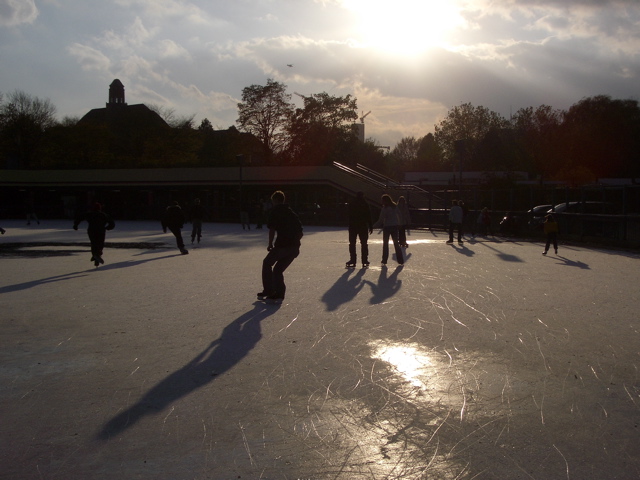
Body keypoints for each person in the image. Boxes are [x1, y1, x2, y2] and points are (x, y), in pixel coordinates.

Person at [258, 191, 303, 302]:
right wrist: (295, 243)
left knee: (267, 263)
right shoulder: (291, 212)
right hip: (294, 249)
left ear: (275, 200)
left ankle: (269, 290)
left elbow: (272, 229)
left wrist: (270, 243)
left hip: (282, 246)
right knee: (277, 270)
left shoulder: (275, 211)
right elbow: (300, 232)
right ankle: (279, 294)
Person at [73, 202, 115, 267]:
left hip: (91, 230)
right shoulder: (103, 215)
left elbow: (79, 217)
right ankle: (97, 254)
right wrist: (108, 228)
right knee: (100, 243)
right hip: (100, 230)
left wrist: (76, 225)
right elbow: (112, 223)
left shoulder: (89, 214)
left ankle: (95, 256)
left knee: (93, 243)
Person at [373, 194, 404, 265]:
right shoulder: (395, 207)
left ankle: (384, 260)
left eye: (382, 200)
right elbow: (399, 215)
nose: (381, 202)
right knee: (396, 244)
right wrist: (400, 223)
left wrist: (373, 226)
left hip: (387, 227)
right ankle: (400, 260)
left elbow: (380, 220)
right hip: (394, 226)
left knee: (385, 244)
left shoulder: (385, 209)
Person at [346, 191, 373, 268]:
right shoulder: (365, 204)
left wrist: (349, 224)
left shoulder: (352, 203)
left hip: (353, 226)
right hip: (363, 226)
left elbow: (349, 215)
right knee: (364, 243)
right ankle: (364, 260)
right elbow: (369, 215)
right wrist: (370, 226)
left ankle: (353, 260)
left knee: (352, 243)